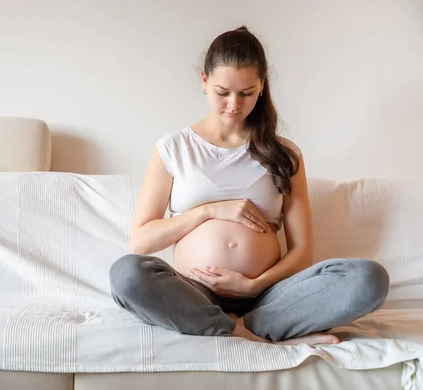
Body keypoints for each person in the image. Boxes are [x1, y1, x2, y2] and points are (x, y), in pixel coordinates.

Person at [109, 26, 389, 345]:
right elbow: (141, 241)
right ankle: (243, 331)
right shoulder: (173, 148)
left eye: (247, 93)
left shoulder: (285, 154)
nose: (233, 105)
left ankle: (251, 324)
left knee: (368, 279)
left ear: (261, 87)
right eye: (222, 92)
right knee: (127, 274)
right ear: (204, 81)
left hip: (269, 295)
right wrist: (209, 211)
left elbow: (302, 252)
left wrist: (254, 286)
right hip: (193, 291)